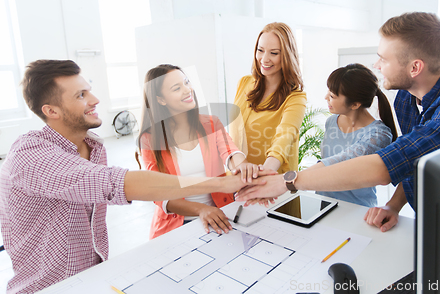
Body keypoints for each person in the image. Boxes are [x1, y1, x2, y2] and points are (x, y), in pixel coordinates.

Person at [0, 60, 268, 294]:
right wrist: (221, 183)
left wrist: (241, 168)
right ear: (52, 111)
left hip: (92, 279)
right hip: (47, 288)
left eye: (89, 89)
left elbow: (229, 149)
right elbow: (118, 183)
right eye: (81, 95)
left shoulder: (94, 148)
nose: (95, 100)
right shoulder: (29, 153)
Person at [236, 12, 440, 232]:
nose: (376, 64)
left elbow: (387, 165)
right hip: (435, 217)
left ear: (415, 67)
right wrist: (393, 206)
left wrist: (287, 181)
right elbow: (414, 162)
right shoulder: (407, 100)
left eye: (384, 59)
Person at [136, 64, 259, 238]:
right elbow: (158, 193)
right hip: (176, 224)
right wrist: (201, 209)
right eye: (177, 88)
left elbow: (230, 151)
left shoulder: (211, 123)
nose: (188, 90)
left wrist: (242, 165)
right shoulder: (149, 139)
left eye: (187, 82)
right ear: (161, 100)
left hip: (219, 217)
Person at [311, 63, 397, 207]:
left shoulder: (378, 135)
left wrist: (292, 180)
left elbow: (340, 163)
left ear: (355, 104)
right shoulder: (331, 121)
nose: (326, 97)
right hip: (323, 204)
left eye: (332, 95)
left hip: (356, 209)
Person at [230, 22, 307, 175]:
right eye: (260, 50)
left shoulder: (295, 98)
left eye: (274, 53)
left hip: (271, 185)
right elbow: (232, 138)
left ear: (286, 55)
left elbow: (283, 140)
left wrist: (261, 174)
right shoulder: (244, 83)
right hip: (236, 182)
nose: (264, 59)